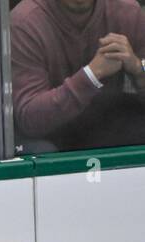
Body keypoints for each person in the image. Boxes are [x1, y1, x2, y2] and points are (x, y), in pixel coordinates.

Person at [11, 0, 145, 151]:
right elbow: (29, 119)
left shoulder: (127, 10)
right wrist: (91, 75)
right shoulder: (25, 22)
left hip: (105, 122)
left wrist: (138, 68)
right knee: (41, 151)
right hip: (49, 134)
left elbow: (143, 64)